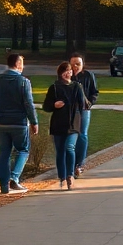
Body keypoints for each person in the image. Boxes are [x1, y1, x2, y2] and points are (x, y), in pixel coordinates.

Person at [0, 53, 37, 195]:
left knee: (4, 153)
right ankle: (14, 177)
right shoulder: (24, 82)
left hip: (2, 123)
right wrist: (34, 122)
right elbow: (28, 104)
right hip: (19, 123)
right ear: (18, 64)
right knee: (23, 150)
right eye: (22, 63)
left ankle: (3, 186)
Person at [42, 61, 90, 190]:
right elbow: (46, 106)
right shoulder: (54, 87)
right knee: (60, 151)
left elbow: (84, 105)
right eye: (65, 71)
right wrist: (54, 105)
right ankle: (62, 177)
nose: (67, 73)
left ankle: (70, 175)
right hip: (58, 123)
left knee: (69, 147)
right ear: (60, 73)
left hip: (73, 124)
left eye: (69, 71)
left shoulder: (76, 87)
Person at [68, 53, 98, 175]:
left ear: (83, 64)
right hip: (69, 110)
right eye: (73, 64)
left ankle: (79, 164)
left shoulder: (88, 75)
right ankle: (70, 163)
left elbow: (94, 92)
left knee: (82, 135)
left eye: (78, 64)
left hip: (84, 110)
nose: (75, 66)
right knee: (70, 135)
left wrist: (90, 103)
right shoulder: (67, 75)